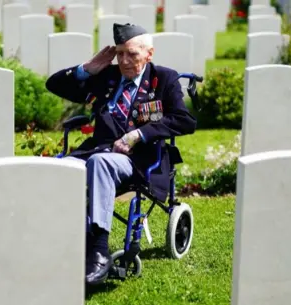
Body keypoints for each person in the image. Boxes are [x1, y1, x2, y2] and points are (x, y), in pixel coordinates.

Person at [45, 23, 197, 285]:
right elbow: (54, 85)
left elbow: (184, 121)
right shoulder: (109, 76)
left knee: (100, 163)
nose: (124, 61)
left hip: (137, 160)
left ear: (149, 53)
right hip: (96, 151)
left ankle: (98, 251)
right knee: (59, 169)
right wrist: (86, 70)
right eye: (120, 54)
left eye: (132, 54)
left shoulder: (164, 79)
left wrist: (139, 134)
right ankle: (58, 242)